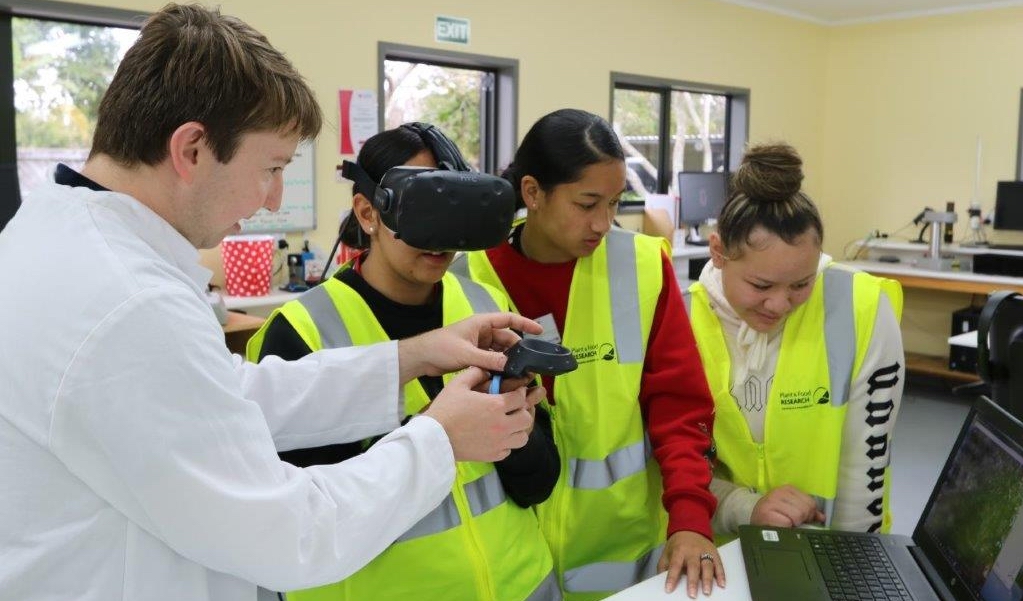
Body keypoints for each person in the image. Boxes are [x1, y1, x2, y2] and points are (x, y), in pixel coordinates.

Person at [0, 6, 542, 601]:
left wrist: (415, 356)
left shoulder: (56, 238)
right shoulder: (130, 305)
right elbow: (289, 536)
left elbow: (229, 397)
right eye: (273, 167)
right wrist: (440, 439)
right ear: (192, 149)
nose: (273, 198)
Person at [247, 124, 561, 601]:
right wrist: (438, 436)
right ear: (368, 212)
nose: (439, 239)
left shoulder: (483, 302)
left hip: (521, 584)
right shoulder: (302, 331)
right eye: (422, 207)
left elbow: (537, 482)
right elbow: (295, 525)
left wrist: (515, 427)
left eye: (451, 207)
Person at [453, 108, 722, 600]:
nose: (602, 223)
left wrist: (690, 517)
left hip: (621, 563)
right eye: (587, 203)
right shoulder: (464, 281)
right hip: (508, 567)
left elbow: (680, 406)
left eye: (615, 204)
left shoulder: (641, 267)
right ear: (532, 192)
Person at [686, 143, 905, 539]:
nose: (780, 304)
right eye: (761, 285)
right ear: (718, 252)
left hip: (832, 550)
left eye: (801, 284)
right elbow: (679, 462)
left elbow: (864, 467)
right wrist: (744, 508)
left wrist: (853, 571)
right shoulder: (685, 319)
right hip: (722, 551)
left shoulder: (860, 308)